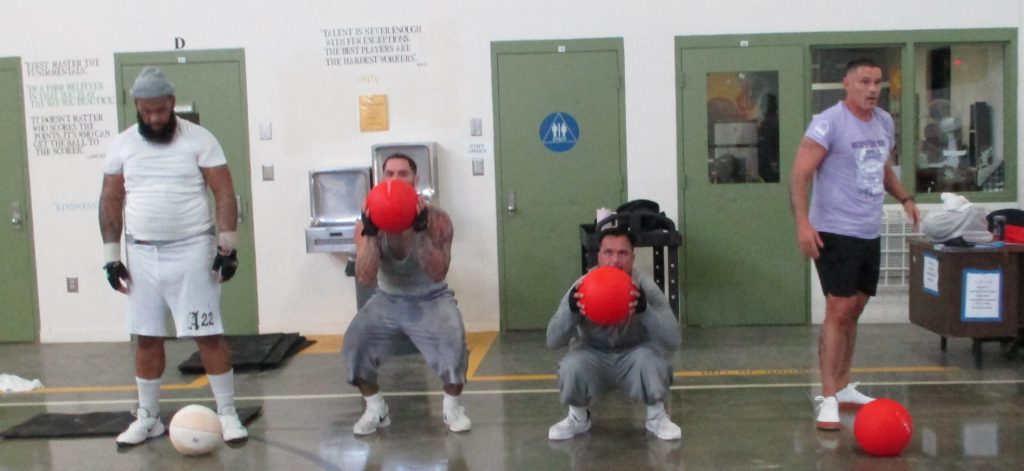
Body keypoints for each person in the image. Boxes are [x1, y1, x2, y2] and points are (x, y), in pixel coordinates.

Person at [98, 67, 248, 446]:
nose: (154, 118)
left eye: (161, 110)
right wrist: (111, 256)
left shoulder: (200, 139)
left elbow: (224, 192)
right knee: (147, 337)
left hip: (192, 249)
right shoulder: (122, 145)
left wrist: (227, 247)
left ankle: (227, 412)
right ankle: (148, 417)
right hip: (142, 253)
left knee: (207, 334)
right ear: (137, 105)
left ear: (172, 102)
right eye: (146, 111)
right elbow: (111, 199)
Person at [789, 58, 920, 431]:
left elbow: (881, 167)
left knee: (856, 308)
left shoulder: (883, 122)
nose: (872, 89)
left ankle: (844, 386)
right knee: (839, 308)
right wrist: (803, 224)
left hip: (868, 230)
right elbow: (799, 175)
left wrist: (905, 197)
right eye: (864, 81)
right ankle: (828, 396)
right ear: (847, 84)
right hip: (835, 230)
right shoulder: (829, 123)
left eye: (877, 82)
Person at [343, 153, 471, 435]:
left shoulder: (437, 220)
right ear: (382, 180)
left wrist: (420, 230)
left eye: (403, 174)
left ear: (416, 179)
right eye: (389, 174)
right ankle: (375, 408)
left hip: (431, 298)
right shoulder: (366, 224)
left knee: (454, 344)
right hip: (387, 298)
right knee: (354, 344)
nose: (396, 179)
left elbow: (438, 272)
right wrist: (371, 234)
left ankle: (452, 408)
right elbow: (365, 277)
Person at [546, 225, 682, 441]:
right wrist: (571, 312)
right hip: (593, 354)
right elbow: (553, 340)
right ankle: (578, 418)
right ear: (598, 256)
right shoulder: (581, 287)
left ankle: (656, 417)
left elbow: (673, 340)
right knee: (572, 365)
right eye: (608, 252)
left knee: (652, 361)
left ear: (633, 258)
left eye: (623, 253)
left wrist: (646, 311)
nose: (615, 260)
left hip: (634, 355)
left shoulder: (645, 288)